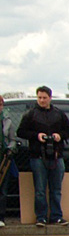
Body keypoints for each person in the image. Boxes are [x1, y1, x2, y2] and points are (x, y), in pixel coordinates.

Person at [17, 86, 69, 226]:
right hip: (37, 155)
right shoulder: (30, 114)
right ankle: (41, 217)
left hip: (56, 155)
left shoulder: (59, 114)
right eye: (39, 98)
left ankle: (56, 216)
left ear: (50, 98)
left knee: (56, 189)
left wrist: (59, 136)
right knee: (40, 190)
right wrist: (37, 136)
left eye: (44, 98)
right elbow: (21, 132)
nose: (42, 100)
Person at [0, 94, 16, 228]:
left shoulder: (7, 121)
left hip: (3, 159)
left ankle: (0, 217)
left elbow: (12, 139)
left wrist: (10, 149)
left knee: (2, 189)